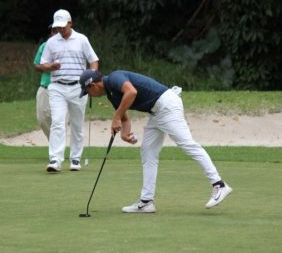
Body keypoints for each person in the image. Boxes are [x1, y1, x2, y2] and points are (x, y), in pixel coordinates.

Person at [78, 69, 233, 213]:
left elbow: (131, 92)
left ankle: (219, 184)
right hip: (156, 112)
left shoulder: (114, 78)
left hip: (166, 105)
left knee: (187, 144)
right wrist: (125, 134)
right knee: (148, 151)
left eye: (88, 91)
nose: (89, 95)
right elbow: (124, 118)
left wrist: (116, 117)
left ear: (93, 85)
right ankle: (146, 201)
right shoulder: (111, 94)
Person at [40, 9, 99, 172]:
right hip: (57, 86)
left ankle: (75, 158)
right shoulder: (52, 42)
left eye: (63, 27)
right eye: (57, 27)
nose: (60, 30)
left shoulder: (81, 40)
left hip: (78, 87)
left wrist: (92, 76)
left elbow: (93, 60)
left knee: (77, 124)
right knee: (57, 122)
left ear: (70, 23)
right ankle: (55, 159)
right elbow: (43, 63)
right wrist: (50, 67)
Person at [33, 25, 56, 140]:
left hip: (61, 87)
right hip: (45, 86)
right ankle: (53, 141)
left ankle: (56, 146)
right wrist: (47, 67)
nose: (55, 32)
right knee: (42, 119)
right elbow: (36, 65)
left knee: (58, 120)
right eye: (53, 30)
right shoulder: (44, 46)